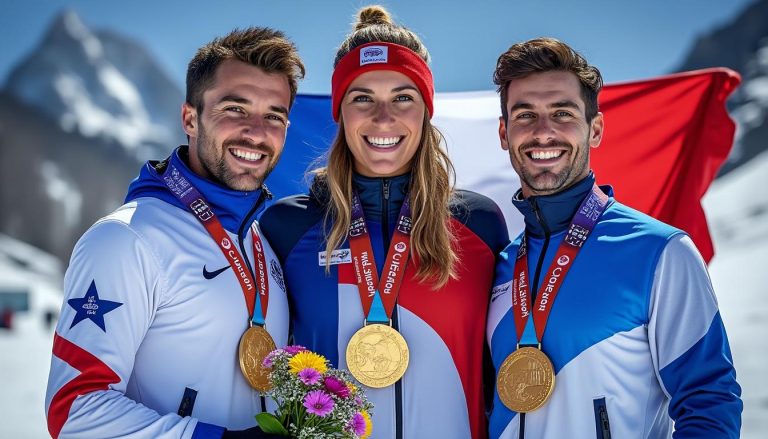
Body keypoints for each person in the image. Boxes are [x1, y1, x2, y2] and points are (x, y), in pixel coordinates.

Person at [259, 6, 509, 439]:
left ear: (425, 111)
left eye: (402, 97)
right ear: (340, 112)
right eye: (362, 98)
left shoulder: (480, 225)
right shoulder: (287, 227)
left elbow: (497, 373)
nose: (383, 118)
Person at [45, 28, 304, 439]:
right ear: (190, 118)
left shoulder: (263, 246)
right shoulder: (125, 240)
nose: (256, 132)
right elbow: (74, 409)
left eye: (274, 115)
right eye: (235, 109)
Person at [486, 37, 742, 438]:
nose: (544, 132)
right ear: (504, 134)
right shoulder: (499, 267)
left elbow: (710, 401)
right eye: (525, 116)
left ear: (596, 129)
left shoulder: (659, 251)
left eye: (563, 113)